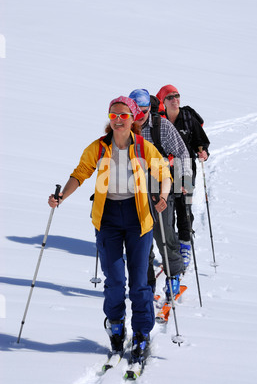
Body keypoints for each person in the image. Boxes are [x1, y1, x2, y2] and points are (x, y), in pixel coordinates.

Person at [48, 96, 172, 364]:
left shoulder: (143, 147)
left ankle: (141, 333)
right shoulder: (99, 147)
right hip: (108, 221)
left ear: (132, 119)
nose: (118, 120)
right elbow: (80, 173)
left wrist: (162, 195)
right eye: (113, 115)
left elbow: (164, 173)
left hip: (139, 219)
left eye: (123, 116)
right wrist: (61, 197)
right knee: (115, 281)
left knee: (139, 283)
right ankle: (116, 325)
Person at [129, 89, 193, 300]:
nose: (139, 117)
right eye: (135, 112)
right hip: (134, 192)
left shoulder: (161, 126)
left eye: (144, 111)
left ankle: (173, 276)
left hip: (160, 189)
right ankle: (146, 284)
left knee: (164, 234)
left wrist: (184, 181)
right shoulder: (124, 126)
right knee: (140, 240)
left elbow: (183, 152)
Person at [156, 85, 210, 269]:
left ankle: (185, 243)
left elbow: (200, 140)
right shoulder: (159, 121)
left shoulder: (187, 117)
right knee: (167, 208)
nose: (175, 99)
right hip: (163, 171)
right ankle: (171, 249)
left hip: (185, 169)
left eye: (177, 96)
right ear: (163, 101)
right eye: (170, 97)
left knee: (184, 206)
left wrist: (203, 151)